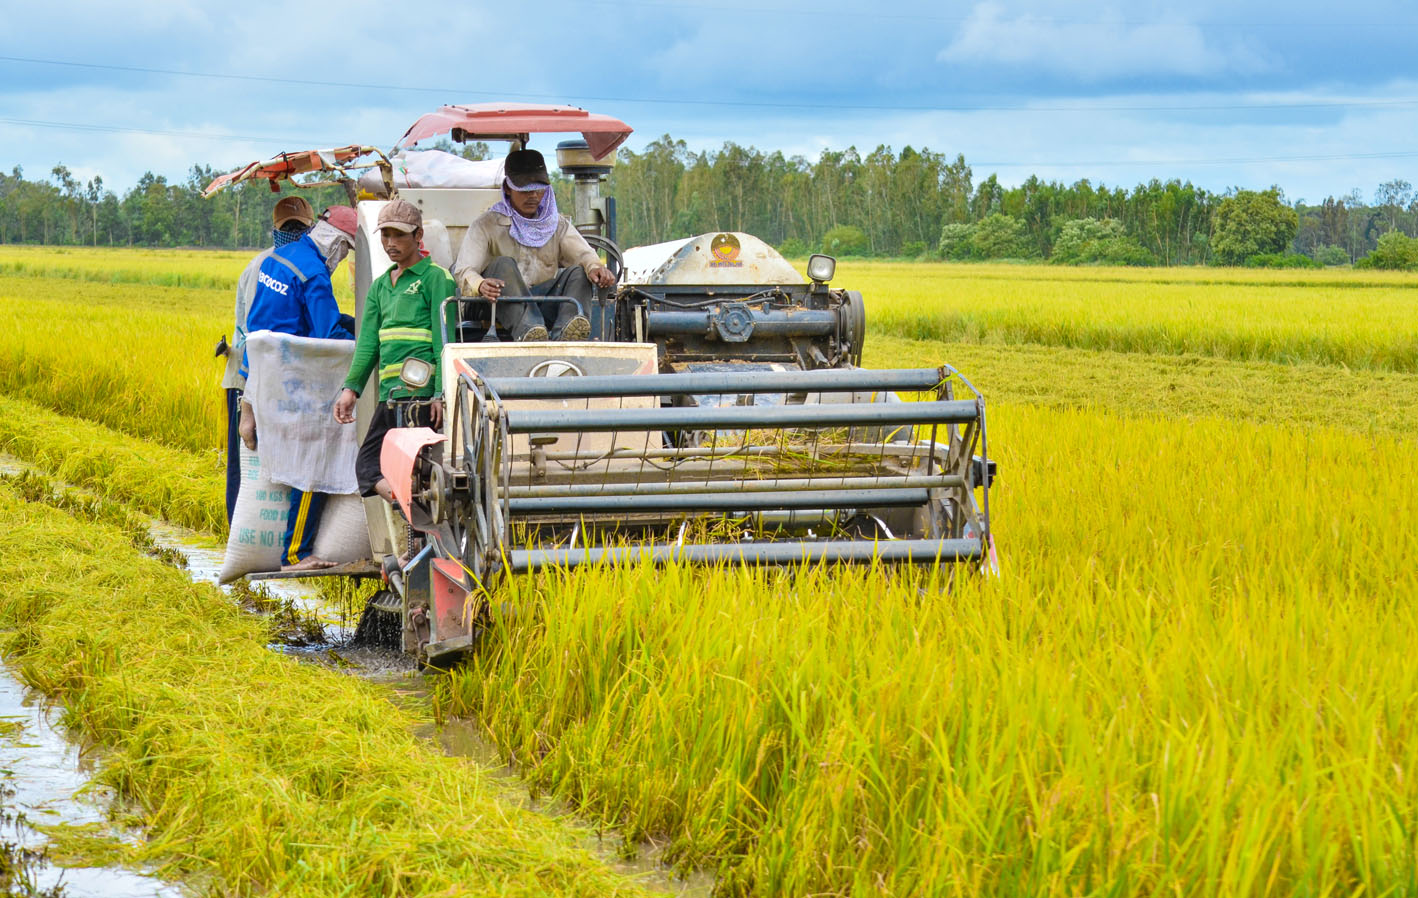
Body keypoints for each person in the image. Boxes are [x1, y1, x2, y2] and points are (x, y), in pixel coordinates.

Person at [240, 204, 359, 571]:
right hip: (298, 386)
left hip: (268, 381)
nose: (342, 259)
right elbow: (328, 334)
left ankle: (294, 550)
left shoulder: (279, 259)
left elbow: (257, 330)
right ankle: (296, 554)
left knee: (299, 461)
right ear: (339, 245)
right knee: (315, 462)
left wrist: (247, 406)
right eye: (346, 251)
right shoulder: (314, 273)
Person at [333, 199, 455, 504]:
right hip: (391, 395)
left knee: (417, 471)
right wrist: (351, 389)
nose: (391, 243)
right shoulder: (380, 287)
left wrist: (440, 394)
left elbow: (445, 341)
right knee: (369, 467)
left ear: (418, 235)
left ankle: (417, 541)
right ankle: (412, 516)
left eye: (399, 235)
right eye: (385, 235)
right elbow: (368, 345)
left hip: (421, 395)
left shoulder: (436, 278)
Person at [452, 149, 615, 341]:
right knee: (504, 264)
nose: (533, 196)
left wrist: (595, 268)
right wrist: (480, 285)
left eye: (538, 189)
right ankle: (529, 331)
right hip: (493, 305)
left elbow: (584, 255)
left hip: (539, 301)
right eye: (525, 189)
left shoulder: (556, 224)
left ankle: (566, 334)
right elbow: (463, 271)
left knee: (580, 272)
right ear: (507, 188)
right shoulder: (486, 224)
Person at [219, 194, 314, 523]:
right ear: (275, 230)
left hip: (278, 379)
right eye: (289, 228)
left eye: (298, 228)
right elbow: (258, 334)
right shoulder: (266, 267)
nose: (294, 234)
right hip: (248, 380)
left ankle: (271, 543)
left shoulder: (296, 263)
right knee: (247, 467)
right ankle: (241, 537)